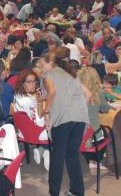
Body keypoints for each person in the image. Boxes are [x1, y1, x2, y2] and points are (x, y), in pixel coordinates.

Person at [43, 47, 90, 196]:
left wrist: (46, 111)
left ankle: (54, 192)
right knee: (72, 155)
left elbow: (52, 92)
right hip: (80, 117)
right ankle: (77, 191)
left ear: (52, 62)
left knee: (57, 158)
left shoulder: (49, 74)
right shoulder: (73, 74)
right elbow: (88, 95)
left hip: (63, 119)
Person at [13, 71, 50, 170]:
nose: (33, 84)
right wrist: (40, 103)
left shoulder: (18, 95)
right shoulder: (29, 102)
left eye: (34, 81)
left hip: (22, 132)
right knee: (57, 128)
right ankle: (47, 150)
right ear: (22, 83)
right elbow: (40, 122)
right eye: (29, 82)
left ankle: (41, 149)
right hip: (36, 132)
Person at [77, 67, 110, 169]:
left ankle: (89, 158)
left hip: (76, 133)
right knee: (104, 132)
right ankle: (96, 160)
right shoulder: (98, 94)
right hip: (93, 133)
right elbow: (105, 109)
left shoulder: (73, 94)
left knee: (88, 132)